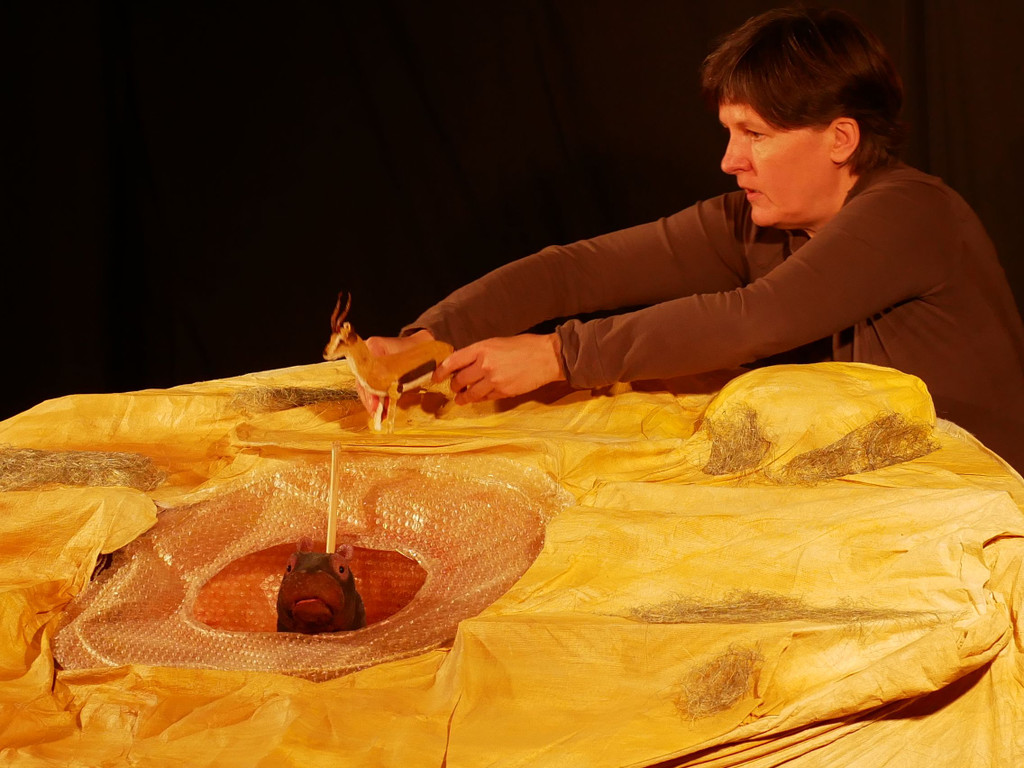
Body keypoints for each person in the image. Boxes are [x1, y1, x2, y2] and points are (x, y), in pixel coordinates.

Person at [360, 7, 1024, 473]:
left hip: (975, 509)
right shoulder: (753, 221)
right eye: (729, 133)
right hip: (866, 492)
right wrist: (431, 338)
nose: (731, 160)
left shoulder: (912, 212)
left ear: (840, 138)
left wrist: (560, 354)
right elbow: (574, 272)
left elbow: (756, 319)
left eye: (755, 134)